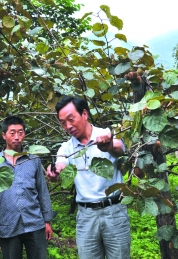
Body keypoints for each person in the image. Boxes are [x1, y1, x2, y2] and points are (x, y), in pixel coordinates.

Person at [46, 96, 131, 259]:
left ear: (84, 114)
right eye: (63, 123)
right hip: (86, 216)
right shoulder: (67, 148)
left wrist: (109, 145)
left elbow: (119, 148)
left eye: (71, 119)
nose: (68, 126)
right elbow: (61, 164)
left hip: (114, 211)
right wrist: (54, 172)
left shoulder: (105, 135)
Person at [0, 116, 54, 259]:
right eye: (12, 132)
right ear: (4, 135)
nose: (17, 137)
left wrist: (47, 221)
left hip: (35, 223)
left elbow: (42, 192)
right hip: (9, 225)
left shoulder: (33, 160)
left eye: (20, 132)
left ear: (24, 134)